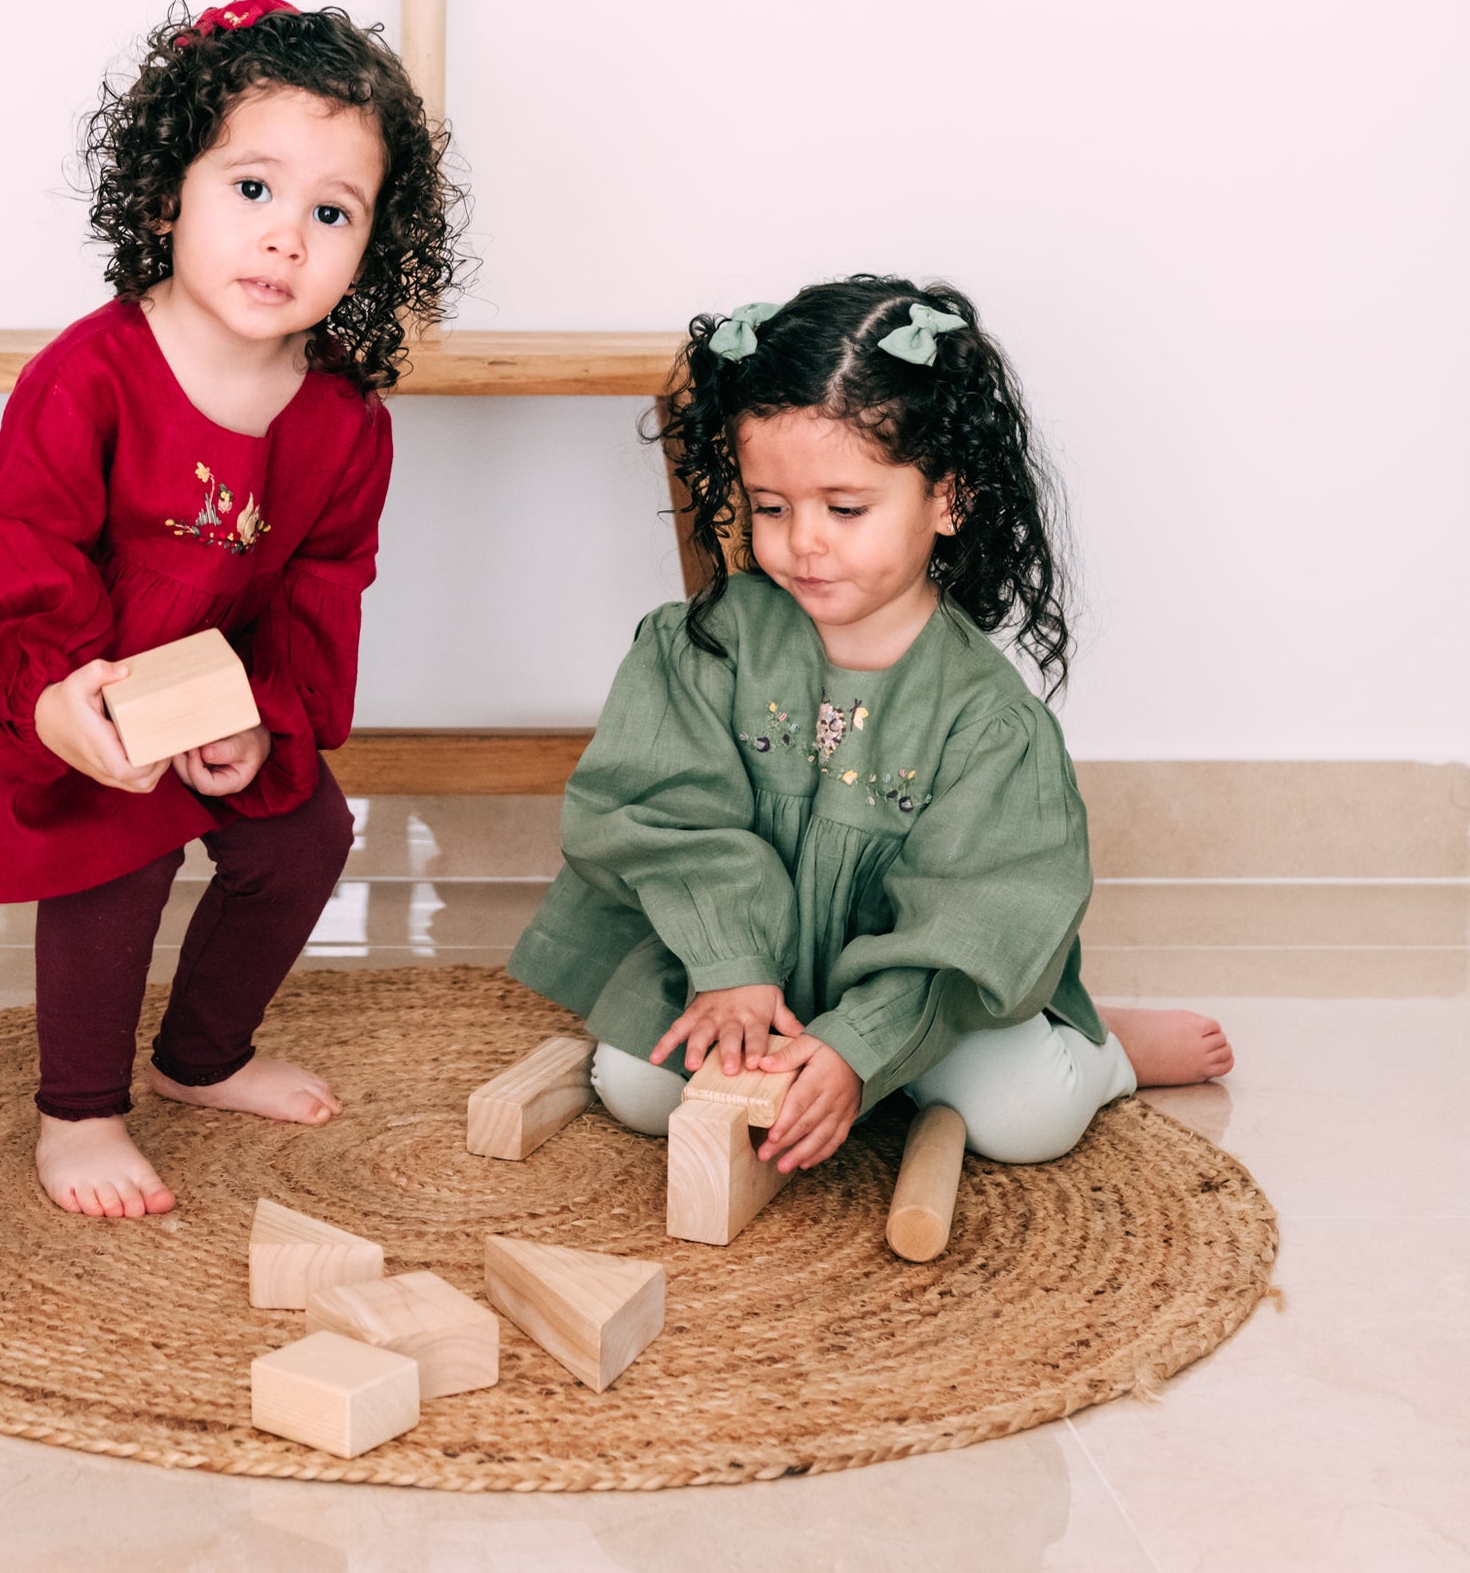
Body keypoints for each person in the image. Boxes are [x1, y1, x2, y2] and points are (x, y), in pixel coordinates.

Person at [0, 0, 461, 1217]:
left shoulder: (344, 420)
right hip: (65, 668)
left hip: (208, 677)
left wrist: (260, 717)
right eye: (251, 189)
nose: (285, 237)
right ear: (166, 193)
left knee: (303, 840)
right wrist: (57, 698)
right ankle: (78, 1108)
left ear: (370, 248)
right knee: (107, 855)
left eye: (329, 212)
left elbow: (317, 583)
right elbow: (15, 549)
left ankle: (202, 1056)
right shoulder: (90, 373)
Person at [508, 278, 1232, 1173]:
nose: (803, 540)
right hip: (748, 975)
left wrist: (858, 1046)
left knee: (1023, 1119)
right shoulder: (707, 645)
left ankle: (1102, 1050)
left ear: (945, 501)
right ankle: (815, 1049)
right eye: (771, 506)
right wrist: (731, 969)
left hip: (919, 995)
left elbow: (977, 917)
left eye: (844, 509)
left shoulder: (986, 721)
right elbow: (659, 812)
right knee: (639, 1088)